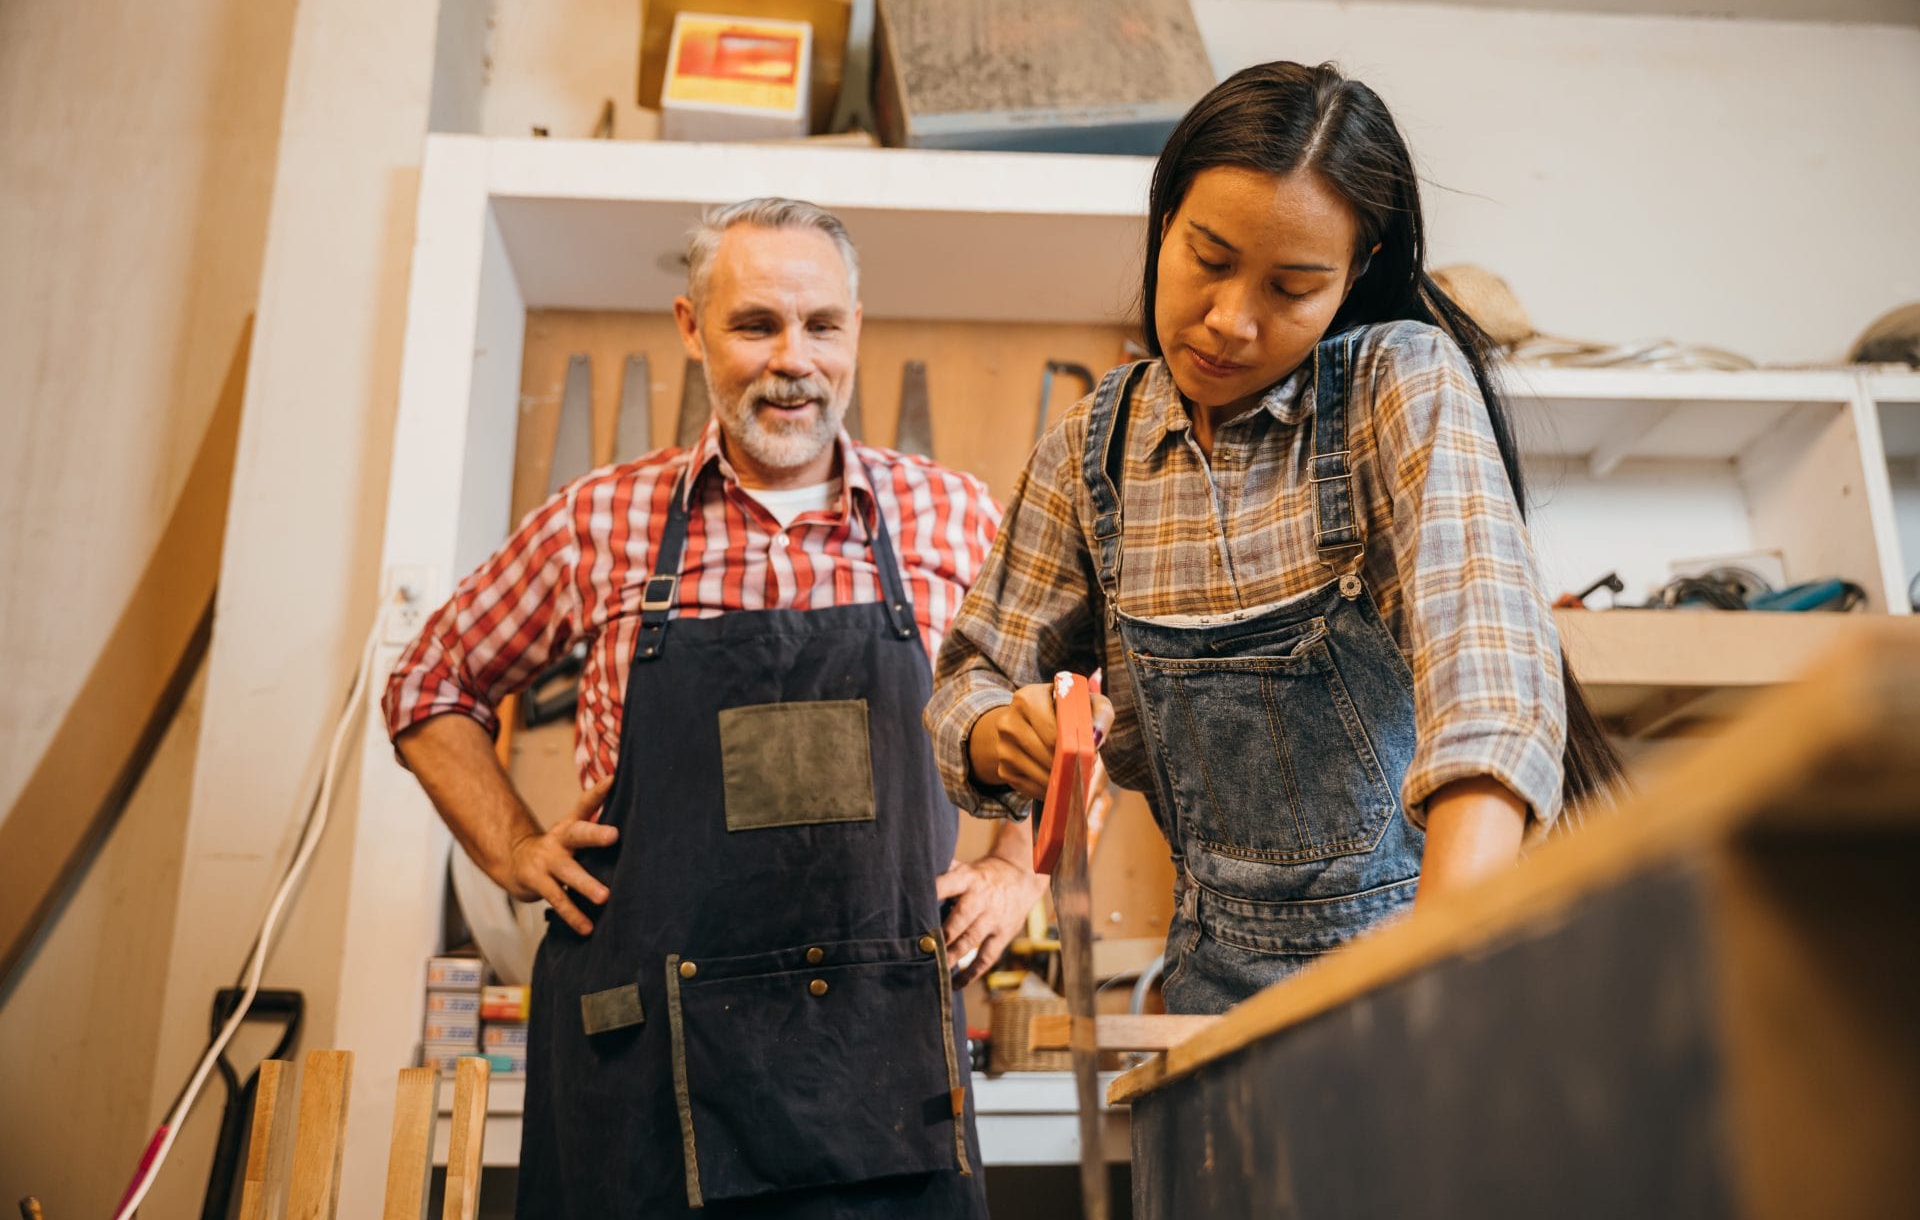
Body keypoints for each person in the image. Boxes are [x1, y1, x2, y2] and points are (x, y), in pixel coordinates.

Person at [383, 198, 1040, 1217]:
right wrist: (513, 847)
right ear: (692, 327)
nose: (794, 359)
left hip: (879, 1065)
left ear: (855, 328)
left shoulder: (953, 517)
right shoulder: (597, 521)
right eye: (755, 324)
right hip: (639, 1063)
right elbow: (427, 681)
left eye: (821, 325)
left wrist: (1015, 866)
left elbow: (1080, 706)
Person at [926, 61, 1622, 1016]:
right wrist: (1013, 736)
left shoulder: (1396, 388)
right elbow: (970, 679)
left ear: (1358, 273)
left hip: (1440, 958)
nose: (1230, 322)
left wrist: (1437, 975)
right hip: (1219, 991)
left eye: (1292, 288)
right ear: (1164, 217)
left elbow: (1489, 682)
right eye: (1208, 258)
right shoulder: (1090, 453)